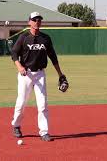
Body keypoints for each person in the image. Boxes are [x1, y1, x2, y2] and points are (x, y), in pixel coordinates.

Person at [10, 12, 68, 142]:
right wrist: (19, 67)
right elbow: (14, 53)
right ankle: (16, 125)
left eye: (39, 20)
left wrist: (60, 74)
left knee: (42, 105)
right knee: (21, 103)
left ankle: (44, 132)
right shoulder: (23, 37)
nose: (37, 22)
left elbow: (53, 57)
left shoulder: (45, 39)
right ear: (29, 22)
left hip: (40, 74)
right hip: (26, 74)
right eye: (34, 20)